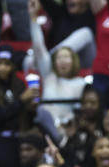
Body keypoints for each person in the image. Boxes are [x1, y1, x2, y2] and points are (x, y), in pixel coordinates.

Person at [28, 0, 86, 128]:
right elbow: (39, 48)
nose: (63, 61)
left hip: (69, 132)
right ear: (54, 62)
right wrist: (33, 18)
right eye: (59, 57)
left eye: (66, 57)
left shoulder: (81, 83)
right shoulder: (49, 77)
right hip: (45, 129)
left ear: (74, 61)